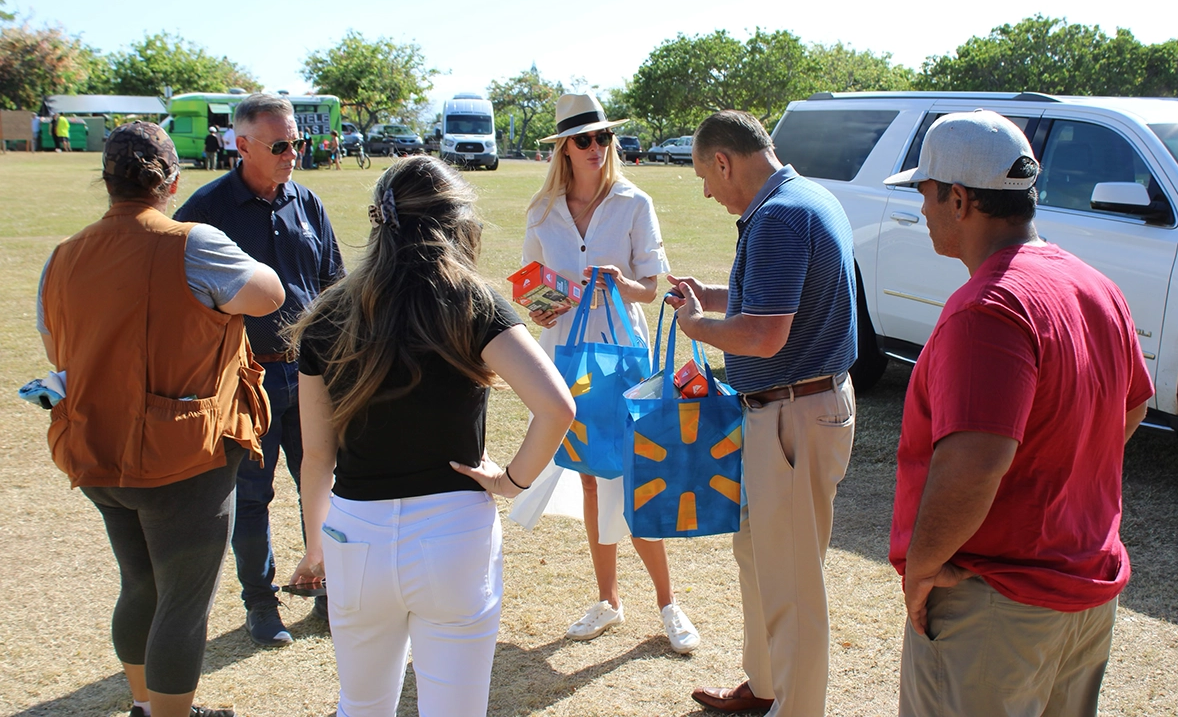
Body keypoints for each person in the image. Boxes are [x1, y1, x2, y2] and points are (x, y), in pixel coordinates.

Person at [883, 110, 1153, 716]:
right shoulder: (1092, 284)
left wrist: (921, 568)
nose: (922, 208)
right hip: (1082, 590)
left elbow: (974, 463)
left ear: (958, 200)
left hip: (998, 602)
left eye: (926, 192)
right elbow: (1131, 403)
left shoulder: (989, 306)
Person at [287, 155, 575, 716]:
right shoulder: (473, 303)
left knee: (362, 704)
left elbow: (316, 456)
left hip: (355, 534)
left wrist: (316, 546)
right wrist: (512, 482)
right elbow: (557, 408)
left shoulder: (331, 312)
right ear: (458, 221)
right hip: (453, 533)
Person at [37, 122, 285, 717]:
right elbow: (269, 295)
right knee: (182, 600)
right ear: (172, 181)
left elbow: (54, 347)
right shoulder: (192, 242)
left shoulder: (63, 255)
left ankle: (147, 704)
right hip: (182, 456)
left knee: (140, 584)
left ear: (107, 182)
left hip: (96, 449)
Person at [667, 110, 857, 716]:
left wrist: (698, 324)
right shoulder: (806, 199)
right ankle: (768, 685)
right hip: (792, 412)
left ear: (724, 161)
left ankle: (794, 707)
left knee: (793, 582)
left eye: (704, 175)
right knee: (760, 557)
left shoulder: (777, 216)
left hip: (793, 416)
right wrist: (714, 298)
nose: (707, 191)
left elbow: (767, 334)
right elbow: (773, 304)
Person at [513, 92, 701, 654]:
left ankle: (668, 603)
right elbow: (532, 287)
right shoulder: (542, 211)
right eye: (584, 140)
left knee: (634, 472)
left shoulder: (634, 202)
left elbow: (653, 285)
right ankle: (609, 600)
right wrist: (541, 305)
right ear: (563, 150)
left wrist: (621, 283)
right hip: (567, 359)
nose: (597, 148)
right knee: (594, 477)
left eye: (603, 137)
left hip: (622, 356)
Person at [174, 93, 345, 647]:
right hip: (243, 383)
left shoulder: (309, 203)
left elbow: (333, 284)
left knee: (322, 484)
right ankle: (260, 603)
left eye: (297, 142)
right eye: (280, 144)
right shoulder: (204, 213)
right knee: (251, 496)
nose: (293, 152)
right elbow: (178, 298)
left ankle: (327, 589)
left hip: (311, 374)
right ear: (240, 144)